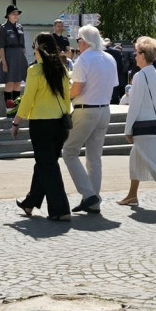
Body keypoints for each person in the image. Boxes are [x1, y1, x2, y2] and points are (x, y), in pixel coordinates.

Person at [11, 32, 72, 221]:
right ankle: (31, 202)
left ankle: (61, 210)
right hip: (60, 124)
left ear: (39, 49)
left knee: (48, 166)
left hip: (41, 124)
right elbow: (67, 98)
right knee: (45, 164)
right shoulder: (61, 69)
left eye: (34, 47)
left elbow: (28, 99)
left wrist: (16, 121)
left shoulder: (35, 71)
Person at [117, 36, 156, 210]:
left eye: (136, 53)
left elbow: (134, 105)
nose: (135, 56)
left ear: (143, 55)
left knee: (152, 162)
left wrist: (127, 129)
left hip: (144, 126)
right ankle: (132, 195)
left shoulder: (140, 76)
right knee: (135, 159)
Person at [62, 25, 118, 214]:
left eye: (78, 40)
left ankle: (89, 194)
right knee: (94, 158)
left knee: (69, 151)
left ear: (84, 41)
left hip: (86, 110)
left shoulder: (83, 59)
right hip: (104, 109)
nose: (77, 44)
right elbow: (113, 85)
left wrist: (65, 95)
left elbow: (77, 89)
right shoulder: (109, 58)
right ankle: (93, 200)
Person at [0, 5, 27, 108]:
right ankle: (9, 108)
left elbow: (23, 45)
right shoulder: (4, 28)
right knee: (10, 83)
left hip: (19, 56)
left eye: (17, 13)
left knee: (18, 83)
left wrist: (24, 58)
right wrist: (4, 63)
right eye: (13, 13)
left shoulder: (20, 27)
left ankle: (16, 107)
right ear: (8, 15)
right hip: (9, 56)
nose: (16, 15)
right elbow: (1, 47)